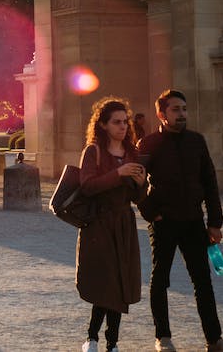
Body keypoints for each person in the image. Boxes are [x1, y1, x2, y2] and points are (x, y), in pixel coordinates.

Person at [137, 89, 223, 352]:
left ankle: (214, 339)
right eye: (176, 109)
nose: (182, 114)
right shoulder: (149, 144)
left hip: (193, 221)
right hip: (164, 221)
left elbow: (210, 183)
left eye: (184, 109)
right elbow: (136, 183)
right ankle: (163, 337)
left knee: (203, 281)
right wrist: (150, 212)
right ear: (161, 114)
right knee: (160, 280)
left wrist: (214, 222)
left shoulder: (196, 141)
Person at [77, 97, 146, 352]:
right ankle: (93, 337)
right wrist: (118, 174)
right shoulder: (93, 151)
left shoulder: (132, 153)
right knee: (104, 282)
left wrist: (141, 184)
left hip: (124, 224)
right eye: (116, 122)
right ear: (103, 125)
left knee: (119, 283)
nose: (123, 127)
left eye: (125, 122)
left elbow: (138, 198)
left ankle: (111, 342)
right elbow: (87, 186)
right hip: (99, 224)